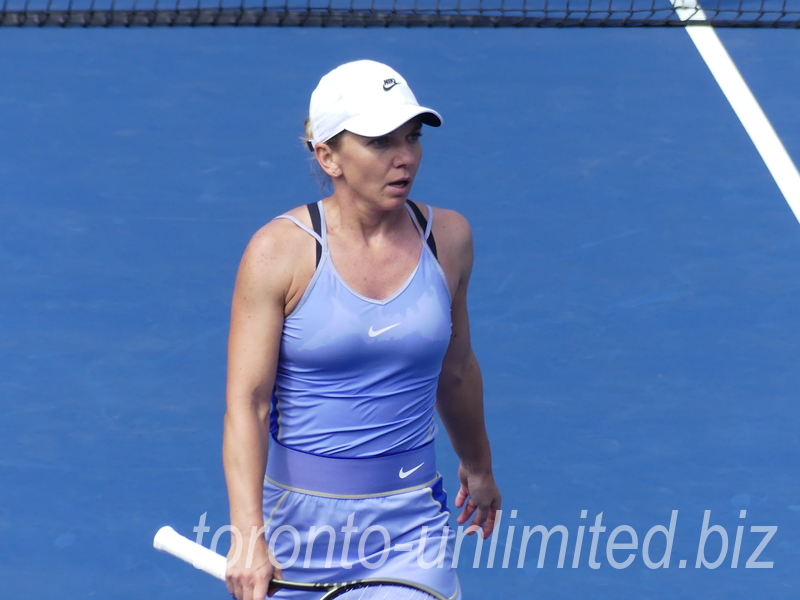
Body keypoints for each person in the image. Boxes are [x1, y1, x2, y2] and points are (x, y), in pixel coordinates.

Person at [222, 59, 501, 600]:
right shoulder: (278, 254)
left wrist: (478, 465)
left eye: (412, 138)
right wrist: (248, 535)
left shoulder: (448, 239)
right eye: (379, 143)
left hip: (410, 529)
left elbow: (457, 369)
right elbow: (248, 403)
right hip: (294, 531)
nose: (405, 159)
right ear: (328, 156)